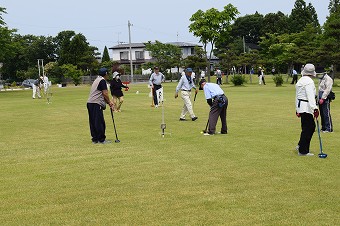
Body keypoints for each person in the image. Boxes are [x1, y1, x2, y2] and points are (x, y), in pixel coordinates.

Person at [295, 63, 319, 156]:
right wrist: (315, 108)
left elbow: (296, 96)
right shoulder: (309, 82)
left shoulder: (300, 80)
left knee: (306, 127)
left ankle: (300, 145)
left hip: (301, 107)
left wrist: (297, 109)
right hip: (307, 107)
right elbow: (310, 96)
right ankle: (303, 150)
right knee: (309, 128)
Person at [87, 68, 114, 144]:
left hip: (90, 103)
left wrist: (109, 103)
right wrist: (110, 102)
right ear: (105, 74)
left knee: (93, 122)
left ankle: (95, 139)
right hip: (96, 103)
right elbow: (105, 93)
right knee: (99, 122)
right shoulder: (102, 81)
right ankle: (101, 139)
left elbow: (101, 94)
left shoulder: (96, 80)